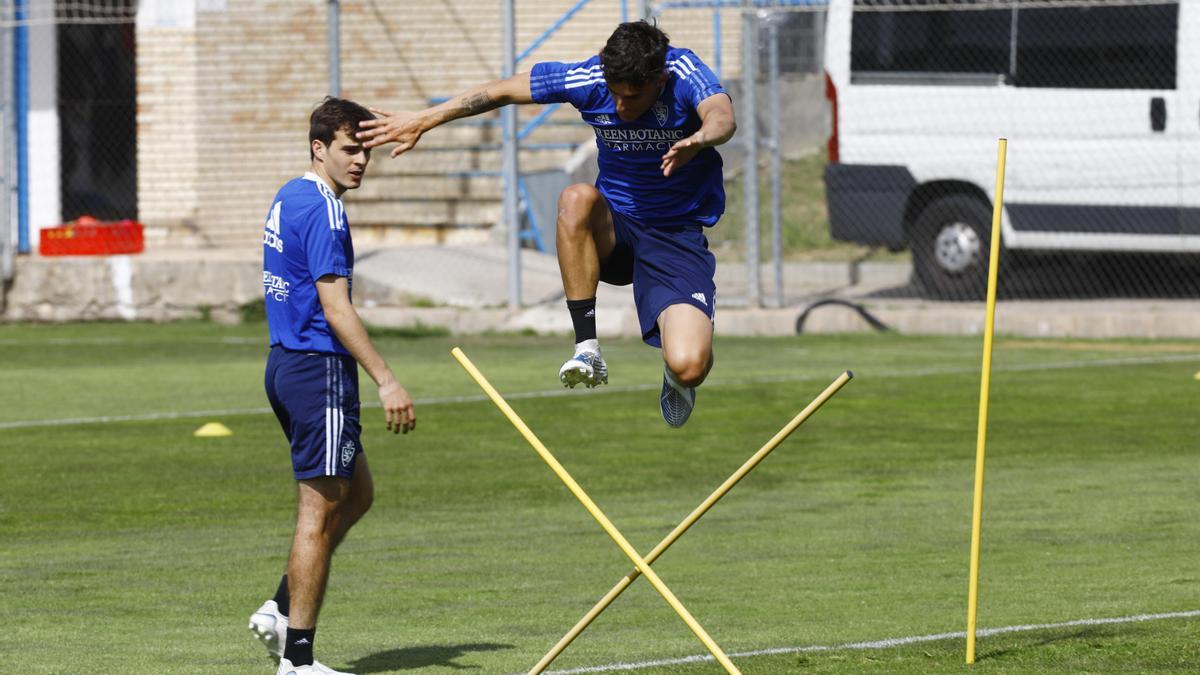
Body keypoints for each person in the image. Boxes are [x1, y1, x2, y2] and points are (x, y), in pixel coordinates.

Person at [358, 20, 735, 428]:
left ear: (659, 79)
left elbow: (721, 115)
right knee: (575, 198)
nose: (622, 107)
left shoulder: (682, 72)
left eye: (634, 97)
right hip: (614, 227)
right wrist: (425, 119)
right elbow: (502, 90)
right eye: (615, 94)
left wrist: (700, 139)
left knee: (689, 365)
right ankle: (587, 347)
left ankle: (675, 372)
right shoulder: (589, 79)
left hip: (673, 235)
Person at [250, 96, 417, 675]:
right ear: (319, 149)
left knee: (358, 493)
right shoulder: (324, 208)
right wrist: (387, 379)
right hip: (317, 369)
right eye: (349, 149)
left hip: (285, 364)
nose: (360, 161)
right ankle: (298, 660)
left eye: (365, 150)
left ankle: (278, 606)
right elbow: (336, 307)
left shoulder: (290, 192)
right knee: (317, 515)